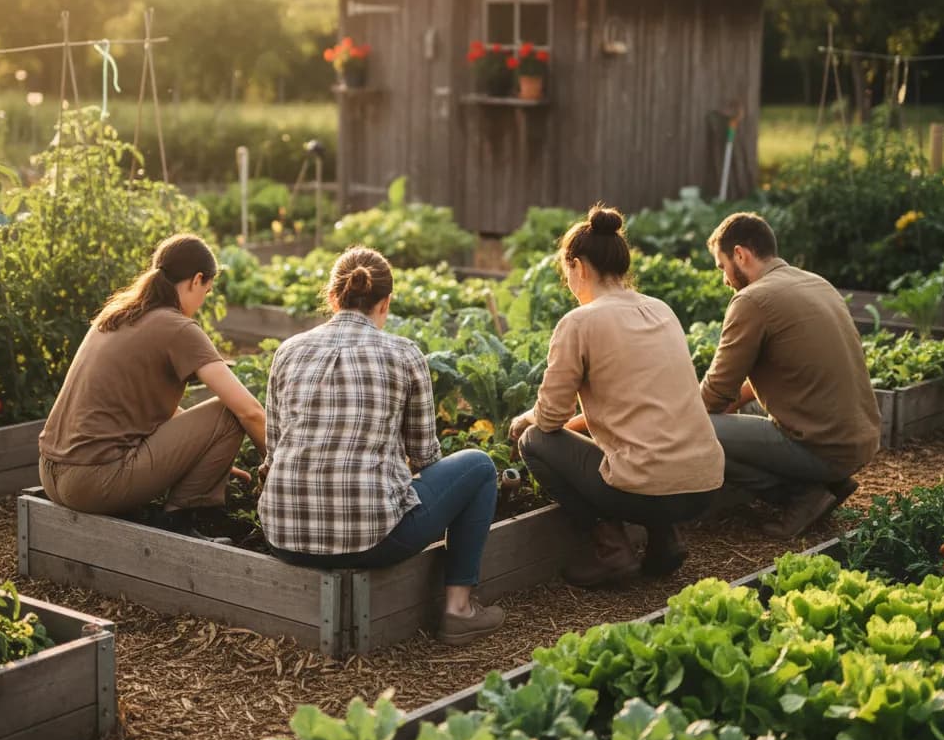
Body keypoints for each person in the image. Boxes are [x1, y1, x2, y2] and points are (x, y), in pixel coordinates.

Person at [258, 246, 503, 647]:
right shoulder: (403, 354)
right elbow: (425, 456)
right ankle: (459, 610)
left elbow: (273, 451)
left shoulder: (288, 351)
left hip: (283, 537)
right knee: (478, 467)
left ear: (333, 297)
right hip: (373, 540)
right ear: (385, 303)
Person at [508, 205, 725, 586]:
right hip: (705, 484)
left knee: (535, 441)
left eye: (566, 272)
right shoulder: (661, 309)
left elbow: (550, 419)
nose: (568, 281)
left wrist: (523, 419)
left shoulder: (579, 322)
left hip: (646, 490)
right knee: (649, 442)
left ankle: (613, 553)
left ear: (579, 266)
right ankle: (664, 542)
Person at [39, 234, 266, 536]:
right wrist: (275, 465)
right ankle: (187, 519)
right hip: (93, 483)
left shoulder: (117, 314)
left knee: (221, 418)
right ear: (196, 280)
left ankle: (193, 503)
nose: (202, 301)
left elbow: (152, 407)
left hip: (51, 473)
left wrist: (207, 460)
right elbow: (249, 411)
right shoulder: (177, 327)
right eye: (207, 291)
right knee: (229, 413)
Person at [700, 211, 881, 537]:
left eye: (722, 267)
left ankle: (802, 495)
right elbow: (784, 375)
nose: (725, 279)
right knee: (736, 414)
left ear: (740, 254)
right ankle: (829, 482)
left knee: (694, 431)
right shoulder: (815, 282)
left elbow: (715, 392)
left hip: (824, 449)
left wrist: (671, 421)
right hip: (860, 439)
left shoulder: (752, 299)